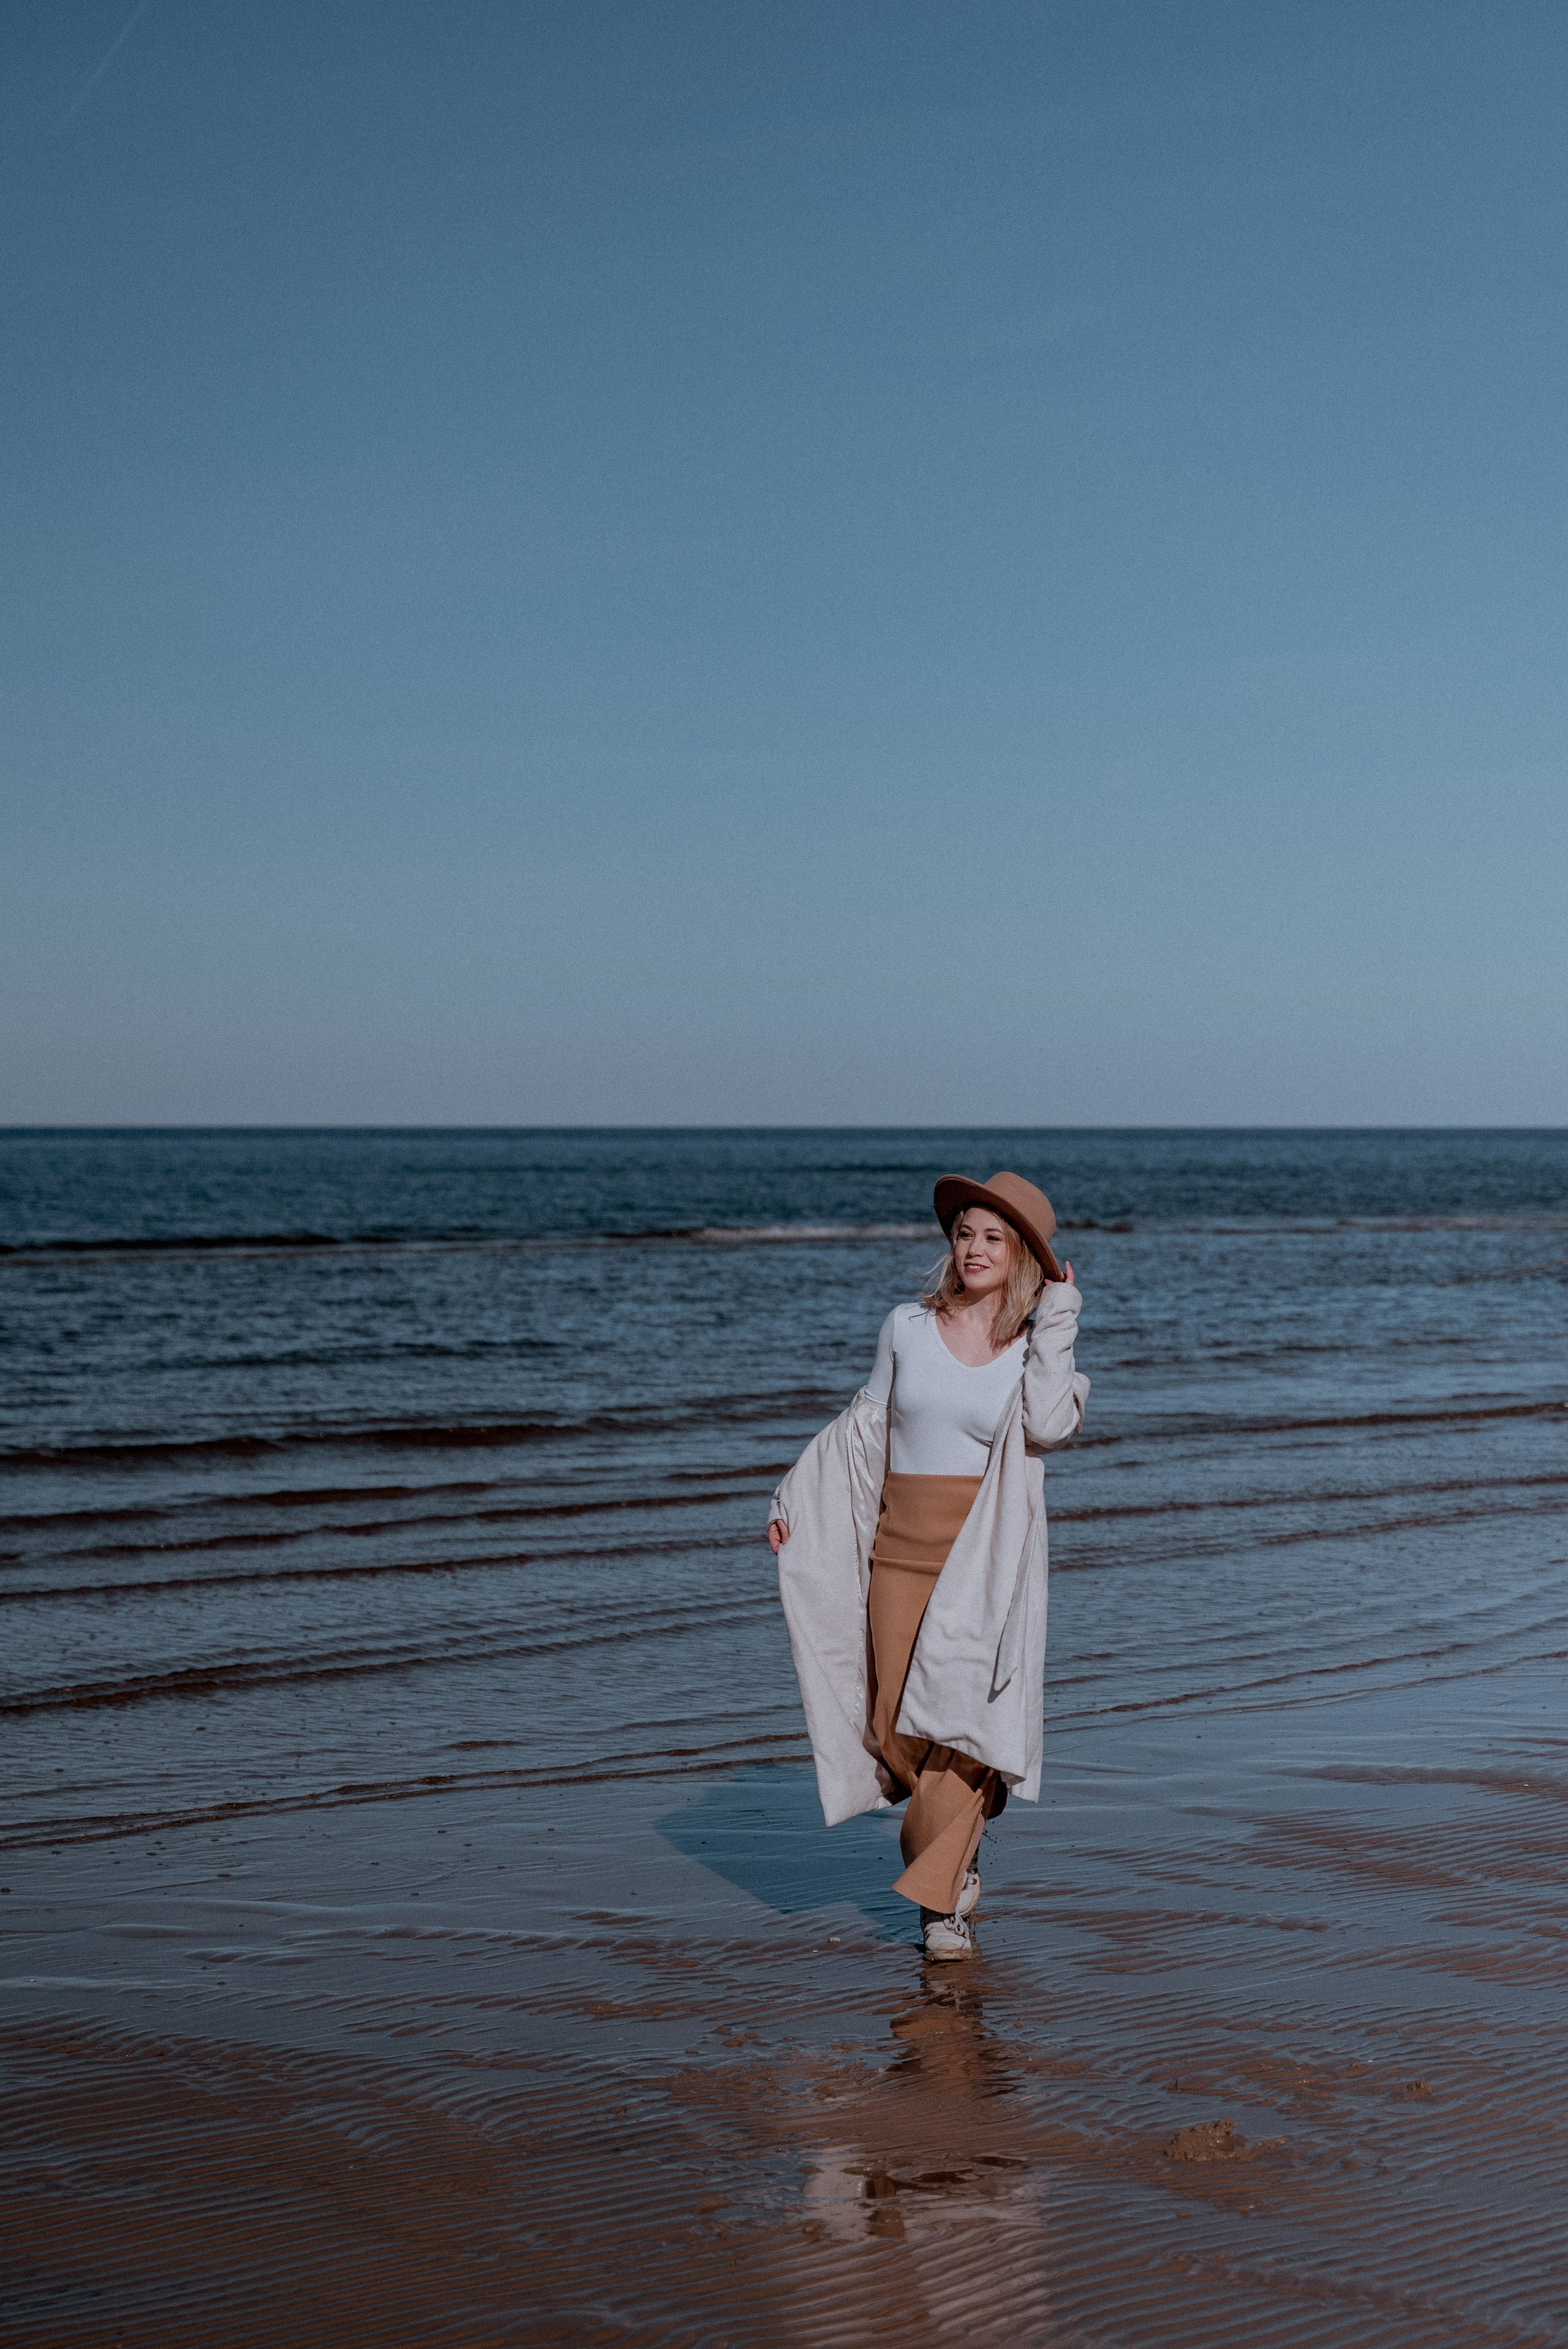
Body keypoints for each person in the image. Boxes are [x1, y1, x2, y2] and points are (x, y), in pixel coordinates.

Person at [767, 1171, 1088, 1961]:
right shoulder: (907, 1327)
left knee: (960, 1726)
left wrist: (1060, 1316)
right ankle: (968, 1821)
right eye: (965, 1233)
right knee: (892, 1730)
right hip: (897, 1554)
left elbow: (1049, 1427)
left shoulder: (1028, 1351)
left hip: (981, 1562)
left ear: (1023, 1258)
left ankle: (939, 1905)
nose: (974, 1249)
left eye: (994, 1237)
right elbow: (861, 1428)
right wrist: (792, 1501)